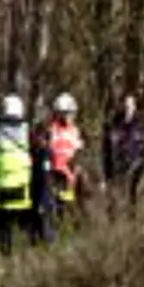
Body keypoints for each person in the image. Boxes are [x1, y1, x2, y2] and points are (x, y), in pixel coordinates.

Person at [0, 94, 34, 256]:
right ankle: (25, 260)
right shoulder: (27, 129)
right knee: (24, 228)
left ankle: (5, 259)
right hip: (22, 188)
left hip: (0, 188)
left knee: (4, 230)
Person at [101, 94, 144, 217]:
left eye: (130, 105)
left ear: (134, 106)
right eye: (125, 104)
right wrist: (107, 173)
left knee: (132, 196)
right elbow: (107, 150)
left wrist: (139, 165)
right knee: (115, 200)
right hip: (116, 169)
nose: (127, 107)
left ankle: (132, 220)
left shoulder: (141, 125)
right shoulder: (113, 125)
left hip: (135, 169)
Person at [48, 92, 84, 227]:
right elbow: (51, 151)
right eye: (67, 113)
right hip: (57, 173)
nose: (70, 117)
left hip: (71, 172)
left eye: (72, 113)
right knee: (58, 203)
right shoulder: (52, 130)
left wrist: (77, 167)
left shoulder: (75, 130)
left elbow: (78, 150)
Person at [28, 121, 56, 246]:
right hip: (33, 195)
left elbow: (46, 179)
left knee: (46, 231)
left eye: (39, 136)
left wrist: (42, 202)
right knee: (33, 232)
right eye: (35, 135)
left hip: (44, 197)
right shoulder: (33, 151)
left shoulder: (46, 154)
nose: (35, 138)